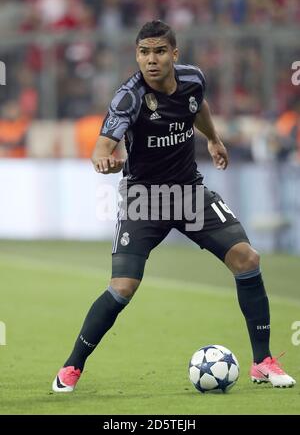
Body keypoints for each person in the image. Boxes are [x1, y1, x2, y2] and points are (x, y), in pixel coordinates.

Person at [52, 20, 295, 392]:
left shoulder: (193, 79)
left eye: (159, 51)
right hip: (144, 199)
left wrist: (213, 139)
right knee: (123, 287)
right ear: (137, 55)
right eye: (144, 52)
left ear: (174, 55)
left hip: (188, 193)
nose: (151, 60)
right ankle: (72, 366)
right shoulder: (128, 98)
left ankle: (262, 361)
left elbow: (198, 107)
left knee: (247, 258)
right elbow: (102, 147)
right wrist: (106, 160)